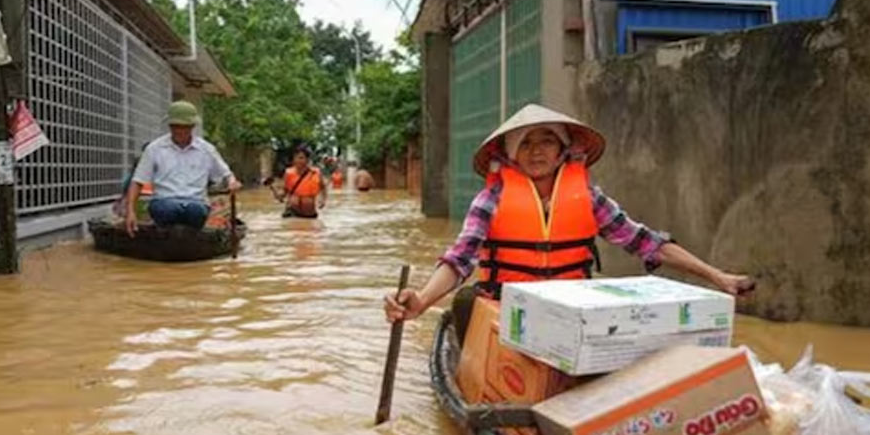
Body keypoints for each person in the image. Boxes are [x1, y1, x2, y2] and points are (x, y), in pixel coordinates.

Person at [384, 104, 754, 325]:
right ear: (511, 156)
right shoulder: (490, 199)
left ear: (563, 150)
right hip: (507, 309)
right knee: (466, 307)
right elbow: (459, 260)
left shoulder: (589, 199)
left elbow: (648, 244)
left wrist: (717, 277)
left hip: (572, 311)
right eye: (525, 143)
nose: (536, 151)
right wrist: (422, 300)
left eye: (546, 140)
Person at [125, 101, 241, 237]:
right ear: (169, 126)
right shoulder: (154, 148)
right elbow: (138, 181)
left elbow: (227, 175)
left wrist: (232, 182)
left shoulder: (207, 150)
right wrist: (130, 211)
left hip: (196, 204)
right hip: (164, 203)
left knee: (194, 211)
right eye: (175, 126)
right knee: (168, 209)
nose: (179, 131)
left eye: (184, 127)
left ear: (192, 126)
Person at [268, 144, 327, 218]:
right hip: (292, 213)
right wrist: (273, 188)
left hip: (309, 215)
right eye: (295, 158)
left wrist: (323, 200)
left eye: (301, 158)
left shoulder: (315, 173)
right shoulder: (288, 173)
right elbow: (284, 194)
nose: (297, 160)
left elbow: (323, 187)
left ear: (307, 159)